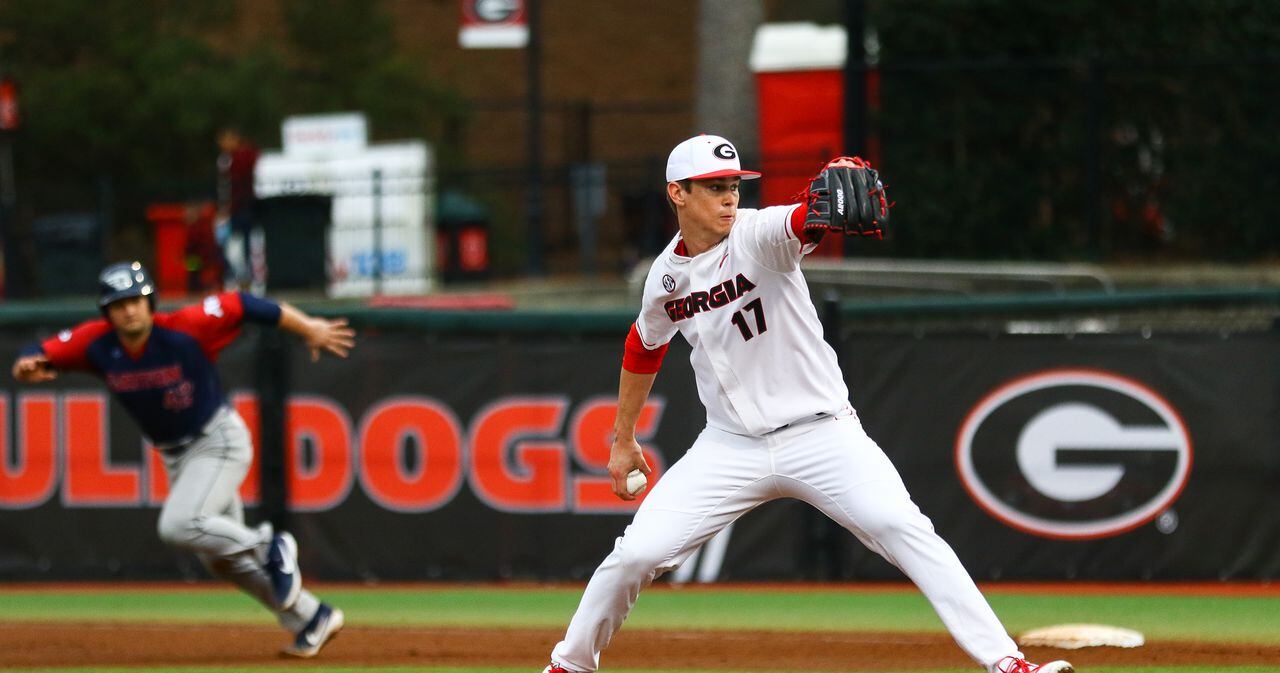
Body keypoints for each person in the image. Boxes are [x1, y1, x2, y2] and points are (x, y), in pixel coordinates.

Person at [540, 135, 1074, 673]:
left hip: (821, 434)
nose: (729, 198)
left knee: (903, 527)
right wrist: (623, 437)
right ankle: (570, 665)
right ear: (677, 193)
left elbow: (800, 222)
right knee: (635, 555)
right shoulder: (665, 278)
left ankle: (1008, 664)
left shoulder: (758, 235)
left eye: (733, 186)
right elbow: (643, 345)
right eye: (713, 188)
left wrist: (821, 210)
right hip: (729, 446)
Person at [11, 261, 355, 658]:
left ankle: (270, 546)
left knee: (179, 525)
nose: (129, 310)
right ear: (106, 312)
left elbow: (244, 304)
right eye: (118, 304)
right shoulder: (97, 345)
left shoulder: (186, 327)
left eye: (136, 300)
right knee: (220, 559)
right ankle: (310, 616)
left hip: (218, 441)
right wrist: (27, 363)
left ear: (151, 301)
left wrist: (309, 328)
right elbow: (41, 350)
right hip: (179, 458)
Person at [217, 127, 261, 290]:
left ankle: (247, 280)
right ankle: (238, 278)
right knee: (230, 247)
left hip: (243, 209)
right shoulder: (225, 160)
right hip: (233, 211)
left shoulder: (245, 157)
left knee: (244, 246)